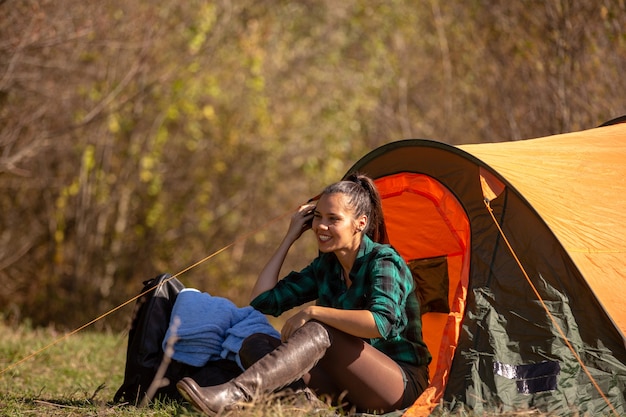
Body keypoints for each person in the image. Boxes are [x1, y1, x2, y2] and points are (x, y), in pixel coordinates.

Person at [176, 173, 431, 415]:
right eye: (318, 216)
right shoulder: (326, 266)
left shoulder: (384, 261)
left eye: (333, 218)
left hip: (397, 384)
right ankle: (312, 410)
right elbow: (263, 301)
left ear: (360, 223)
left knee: (321, 327)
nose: (322, 226)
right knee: (255, 343)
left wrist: (312, 312)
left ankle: (236, 394)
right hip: (345, 383)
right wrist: (289, 238)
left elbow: (380, 323)